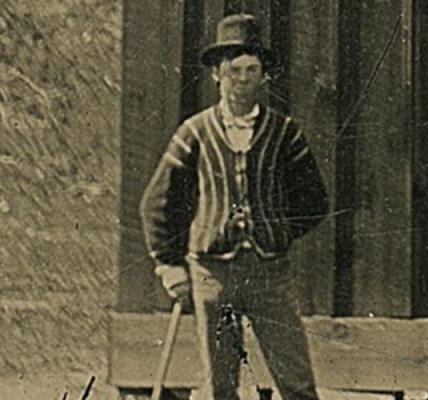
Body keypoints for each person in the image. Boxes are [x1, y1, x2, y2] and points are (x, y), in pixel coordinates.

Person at [139, 13, 329, 400]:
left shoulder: (285, 132)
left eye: (251, 70)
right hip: (213, 275)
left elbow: (314, 201)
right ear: (216, 75)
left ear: (264, 76)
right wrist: (169, 266)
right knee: (221, 386)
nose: (242, 80)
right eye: (233, 71)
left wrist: (274, 229)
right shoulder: (194, 132)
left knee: (297, 383)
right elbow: (156, 203)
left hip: (270, 274)